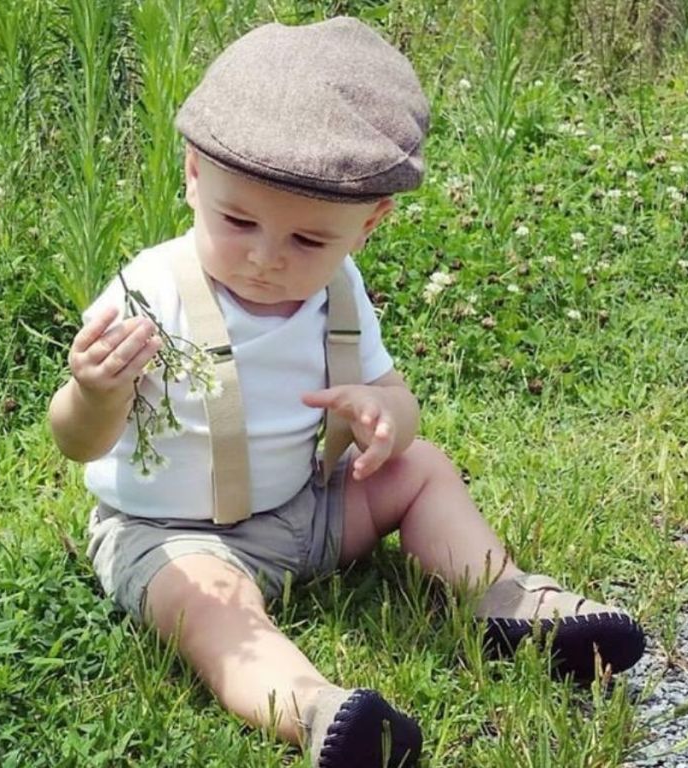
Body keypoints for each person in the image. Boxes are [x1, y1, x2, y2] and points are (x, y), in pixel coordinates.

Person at [48, 17, 645, 768]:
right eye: (239, 222)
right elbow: (76, 441)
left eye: (308, 242)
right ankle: (314, 709)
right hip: (174, 534)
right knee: (209, 608)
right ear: (195, 175)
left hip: (309, 511)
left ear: (369, 224)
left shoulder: (340, 292)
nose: (267, 259)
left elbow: (396, 393)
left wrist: (386, 417)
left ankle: (509, 600)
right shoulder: (150, 290)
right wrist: (94, 391)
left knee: (422, 465)